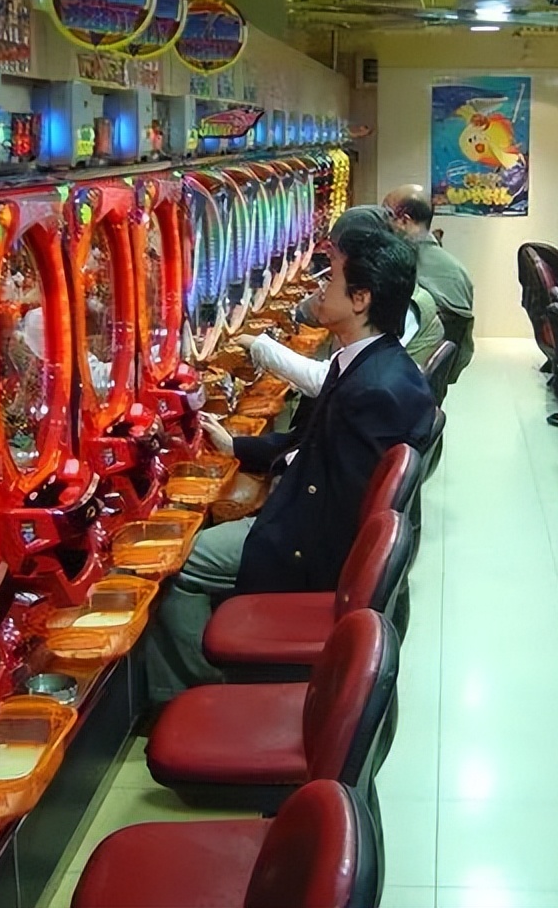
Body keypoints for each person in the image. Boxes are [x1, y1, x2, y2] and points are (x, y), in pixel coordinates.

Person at [145, 227, 438, 703]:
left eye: (332, 277)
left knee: (177, 562)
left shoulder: (375, 390)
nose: (320, 286)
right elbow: (314, 445)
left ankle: (205, 694)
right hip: (305, 517)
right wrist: (237, 445)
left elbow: (333, 512)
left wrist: (258, 515)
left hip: (311, 550)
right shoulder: (371, 363)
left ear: (361, 298)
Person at [270, 206, 445, 388]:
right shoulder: (383, 291)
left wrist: (261, 347)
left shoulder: (405, 308)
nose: (325, 286)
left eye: (333, 276)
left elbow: (333, 381)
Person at [383, 184, 475, 381]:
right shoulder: (458, 271)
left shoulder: (400, 269)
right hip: (431, 378)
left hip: (397, 379)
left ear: (404, 221)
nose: (381, 223)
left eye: (386, 214)